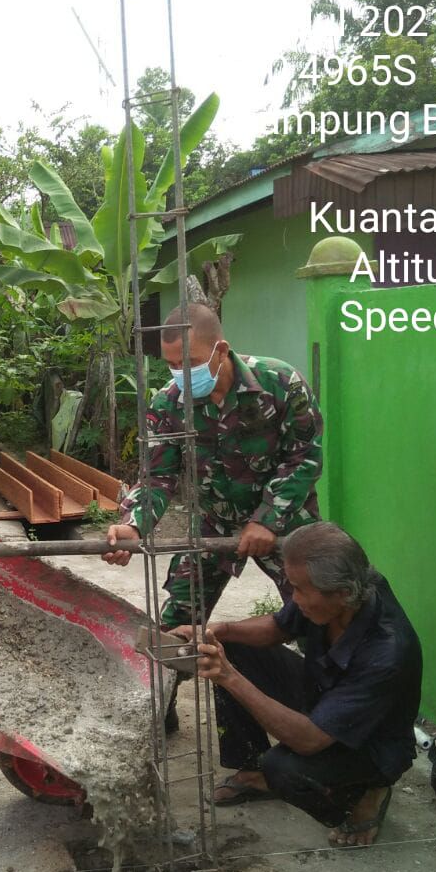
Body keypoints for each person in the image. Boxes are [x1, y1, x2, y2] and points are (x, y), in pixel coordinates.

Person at [102, 300, 323, 729]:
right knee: (174, 626)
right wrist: (133, 524)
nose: (180, 375)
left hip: (285, 528)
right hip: (212, 526)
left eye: (189, 362)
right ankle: (157, 713)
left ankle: (322, 716)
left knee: (315, 616)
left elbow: (305, 457)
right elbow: (157, 477)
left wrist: (267, 519)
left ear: (221, 350)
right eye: (169, 365)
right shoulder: (168, 403)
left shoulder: (280, 383)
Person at [195, 522, 422, 847]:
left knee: (284, 769)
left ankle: (365, 793)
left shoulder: (387, 652)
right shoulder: (340, 593)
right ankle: (253, 769)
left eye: (300, 589)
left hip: (367, 744)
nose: (293, 597)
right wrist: (219, 629)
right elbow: (277, 627)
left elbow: (310, 741)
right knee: (230, 644)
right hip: (323, 693)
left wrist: (228, 677)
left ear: (342, 593)